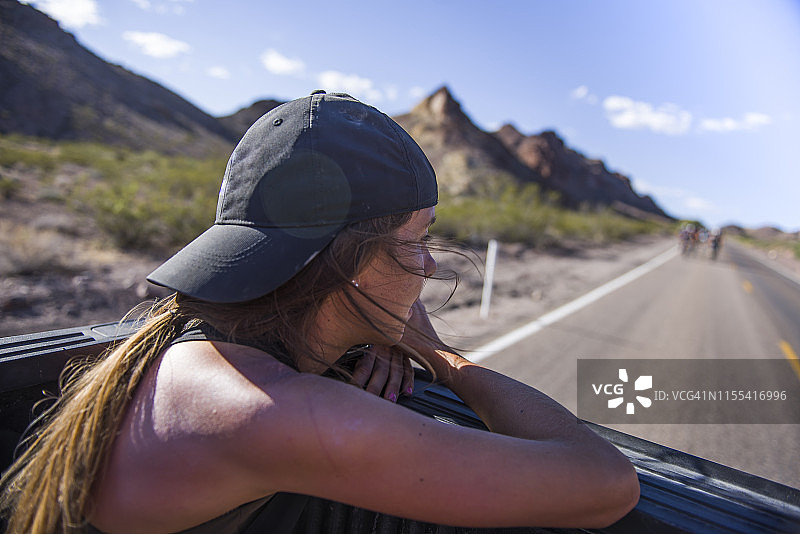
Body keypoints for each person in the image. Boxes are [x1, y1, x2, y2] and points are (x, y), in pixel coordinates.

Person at [0, 91, 639, 533]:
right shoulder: (278, 414)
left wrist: (368, 329)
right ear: (344, 262)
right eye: (416, 244)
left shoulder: (195, 336)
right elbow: (604, 484)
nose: (430, 268)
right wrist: (443, 358)